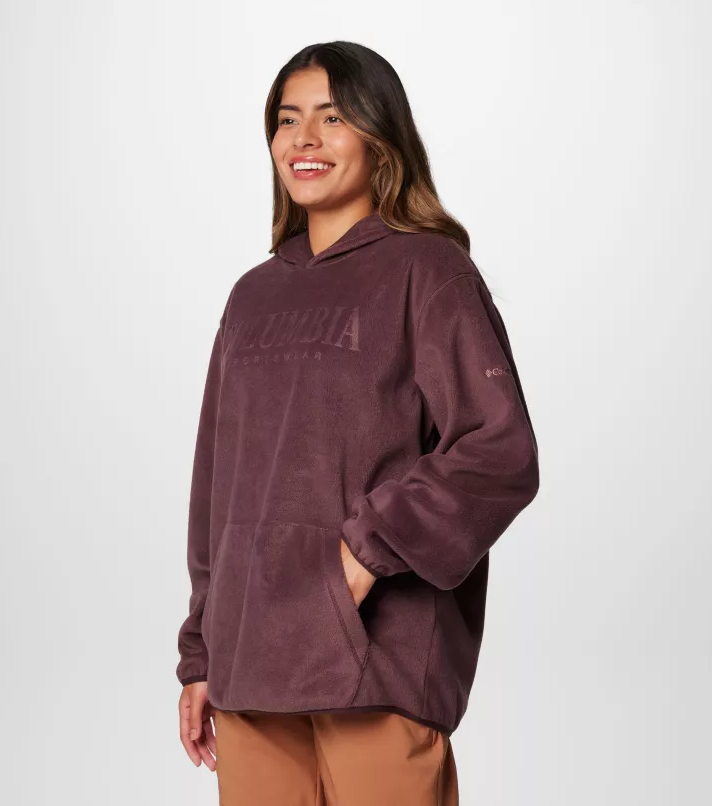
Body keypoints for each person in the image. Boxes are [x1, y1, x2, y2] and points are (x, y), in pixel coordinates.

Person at [176, 40, 540, 806]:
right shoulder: (251, 297)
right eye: (287, 119)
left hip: (375, 665)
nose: (303, 139)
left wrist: (365, 555)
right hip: (249, 672)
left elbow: (498, 448)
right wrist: (202, 654)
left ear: (380, 137)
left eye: (332, 117)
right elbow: (218, 490)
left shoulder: (428, 272)